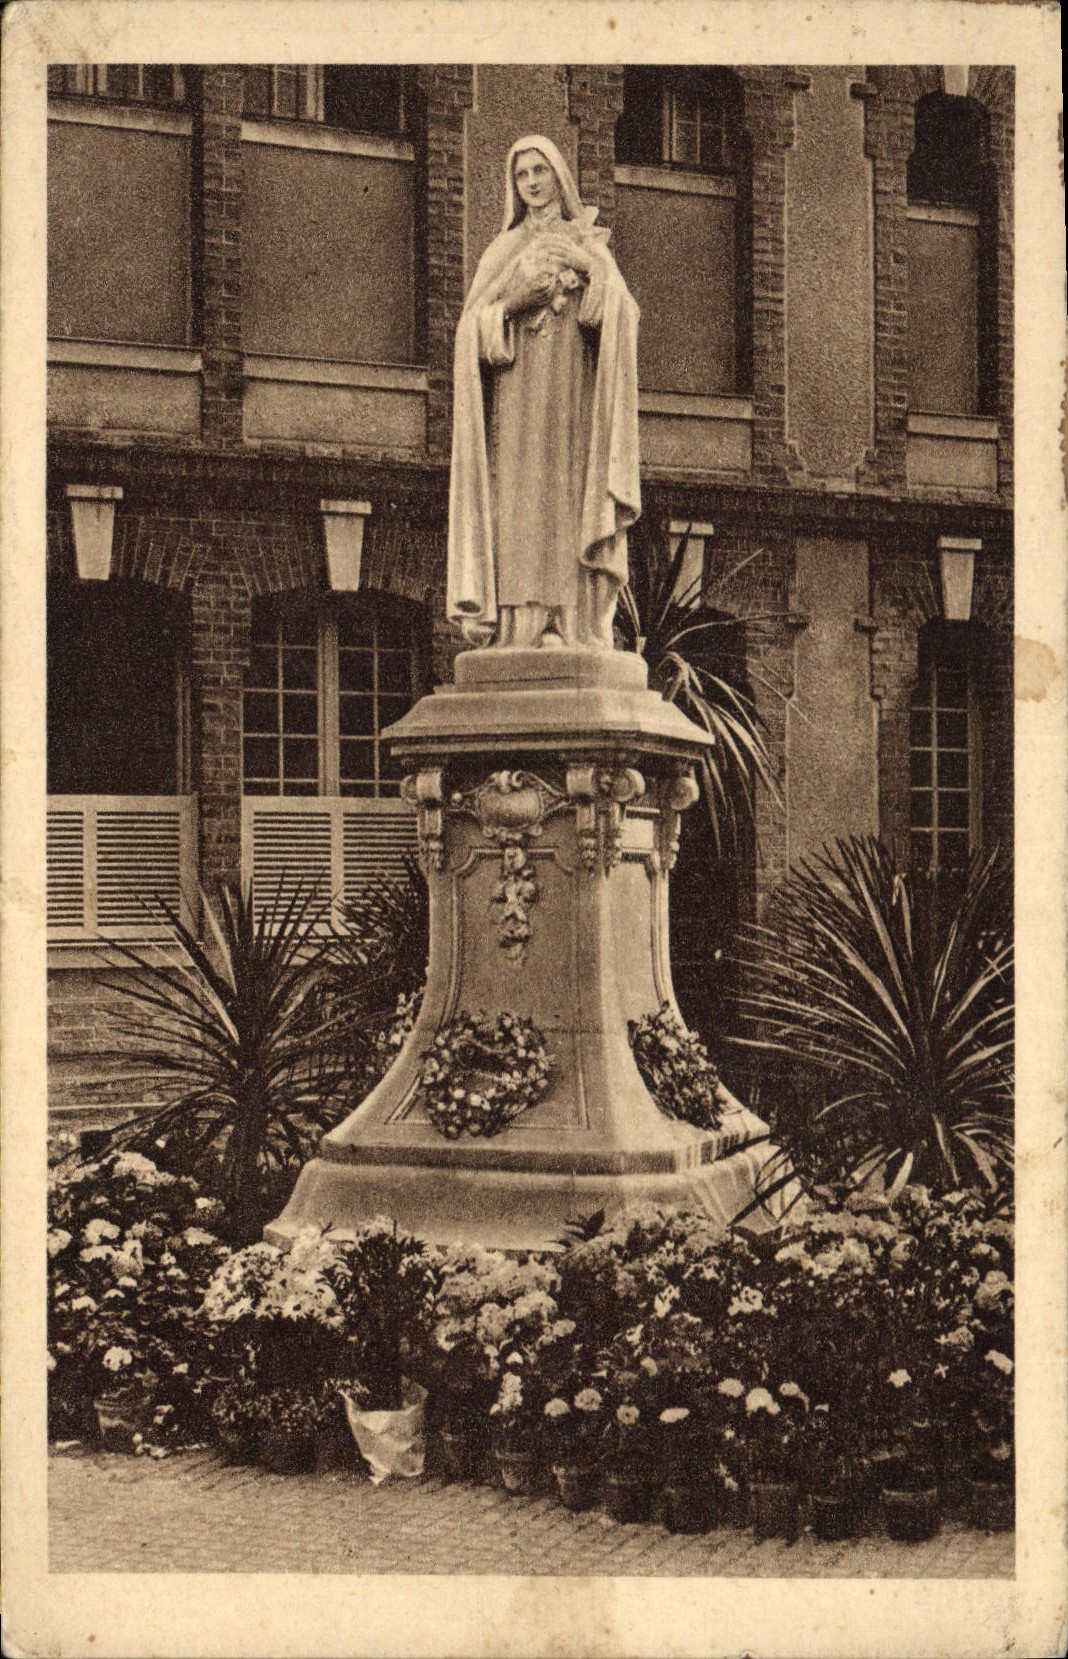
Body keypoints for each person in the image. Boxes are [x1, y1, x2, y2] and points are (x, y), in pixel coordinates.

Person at [447, 136, 641, 651]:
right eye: (521, 175)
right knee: (519, 503)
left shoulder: (588, 242)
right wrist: (514, 302)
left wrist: (589, 266)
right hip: (515, 407)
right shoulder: (502, 250)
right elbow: (469, 335)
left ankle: (572, 621)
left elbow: (619, 316)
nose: (532, 182)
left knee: (570, 496)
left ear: (559, 177)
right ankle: (521, 626)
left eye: (540, 171)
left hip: (574, 401)